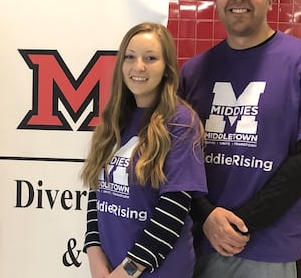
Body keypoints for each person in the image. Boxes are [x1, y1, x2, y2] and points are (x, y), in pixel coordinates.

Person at [178, 0, 301, 278]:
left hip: (267, 251)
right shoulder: (194, 71)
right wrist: (206, 215)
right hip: (198, 243)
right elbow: (179, 159)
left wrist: (243, 223)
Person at [80, 22, 207, 278]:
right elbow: (97, 193)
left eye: (150, 58)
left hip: (158, 271)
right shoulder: (114, 119)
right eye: (130, 57)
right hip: (111, 268)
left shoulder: (181, 122)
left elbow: (174, 209)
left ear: (167, 69)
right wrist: (94, 253)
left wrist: (127, 271)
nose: (138, 67)